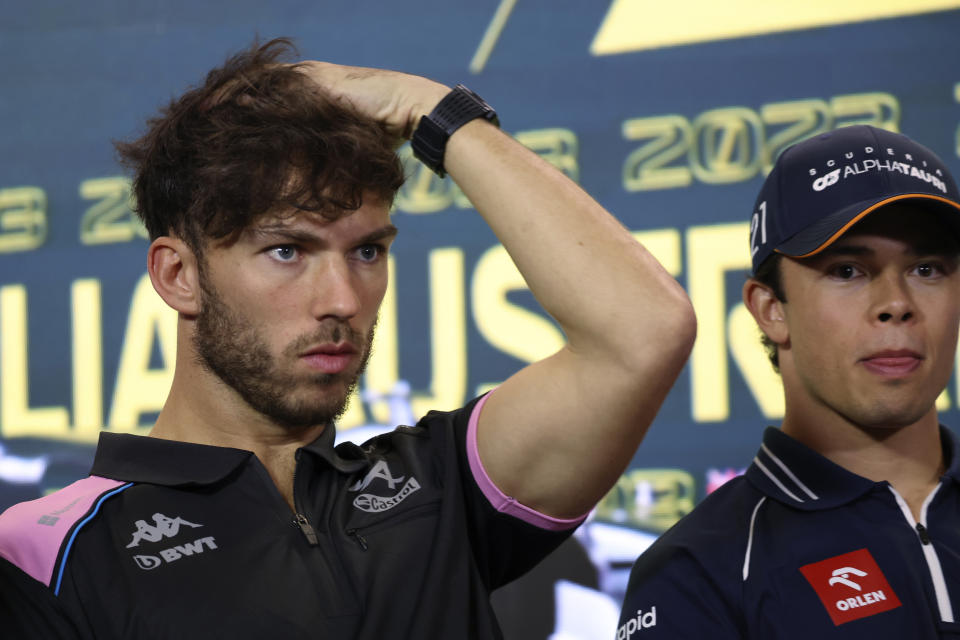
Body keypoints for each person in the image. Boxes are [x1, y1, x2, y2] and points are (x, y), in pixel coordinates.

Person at [0, 38, 695, 639]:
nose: (342, 302)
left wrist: (427, 107)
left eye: (367, 252)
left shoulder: (439, 485)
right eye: (287, 251)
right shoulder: (45, 553)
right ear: (178, 275)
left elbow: (644, 331)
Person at [616, 124, 960, 639]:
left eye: (927, 269)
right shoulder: (702, 568)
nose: (897, 304)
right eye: (848, 271)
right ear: (771, 309)